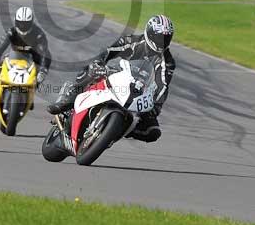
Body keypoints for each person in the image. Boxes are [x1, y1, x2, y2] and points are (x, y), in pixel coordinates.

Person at [47, 14, 176, 143]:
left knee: (153, 132)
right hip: (116, 74)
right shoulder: (133, 41)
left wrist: (156, 106)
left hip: (139, 91)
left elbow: (162, 85)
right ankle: (67, 100)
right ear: (149, 33)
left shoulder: (168, 62)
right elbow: (109, 51)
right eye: (159, 37)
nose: (162, 42)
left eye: (166, 38)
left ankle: (118, 129)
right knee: (92, 68)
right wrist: (99, 63)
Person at [0, 6, 51, 106]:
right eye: (20, 23)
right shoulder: (12, 32)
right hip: (14, 56)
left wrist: (43, 70)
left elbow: (45, 53)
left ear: (31, 22)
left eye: (26, 23)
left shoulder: (39, 34)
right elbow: (0, 47)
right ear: (16, 21)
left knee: (39, 76)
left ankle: (30, 94)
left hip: (32, 58)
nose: (23, 26)